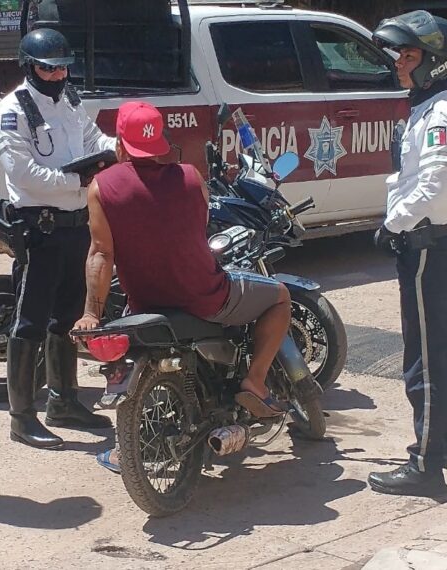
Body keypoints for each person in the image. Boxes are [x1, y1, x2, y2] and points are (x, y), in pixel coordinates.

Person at [73, 101, 297, 472]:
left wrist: (89, 313)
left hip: (144, 303)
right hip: (208, 298)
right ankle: (255, 381)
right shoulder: (192, 179)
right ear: (160, 142)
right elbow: (199, 225)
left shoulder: (101, 189)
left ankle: (127, 445)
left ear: (120, 145)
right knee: (279, 297)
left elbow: (100, 254)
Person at [368, 10, 447, 497]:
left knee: (426, 357)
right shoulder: (434, 106)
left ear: (433, 62)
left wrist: (392, 224)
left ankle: (426, 464)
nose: (399, 63)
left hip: (429, 245)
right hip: (443, 241)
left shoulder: (440, 113)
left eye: (409, 55)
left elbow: (432, 185)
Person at [0, 28, 116, 449]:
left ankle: (63, 400)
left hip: (76, 224)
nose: (59, 73)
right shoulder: (13, 110)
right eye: (50, 67)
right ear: (30, 67)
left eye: (64, 66)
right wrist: (78, 181)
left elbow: (93, 140)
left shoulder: (70, 100)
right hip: (39, 227)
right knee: (29, 323)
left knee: (67, 318)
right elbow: (23, 174)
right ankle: (21, 417)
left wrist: (117, 152)